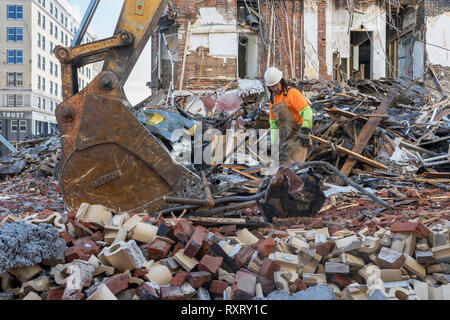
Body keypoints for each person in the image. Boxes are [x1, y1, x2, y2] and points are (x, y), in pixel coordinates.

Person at [264, 67, 313, 164]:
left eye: (276, 85)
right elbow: (273, 125)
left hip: (297, 138)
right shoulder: (272, 101)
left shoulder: (292, 93)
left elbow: (307, 110)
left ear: (281, 81)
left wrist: (305, 128)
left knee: (293, 169)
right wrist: (274, 145)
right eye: (272, 87)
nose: (275, 88)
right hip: (283, 140)